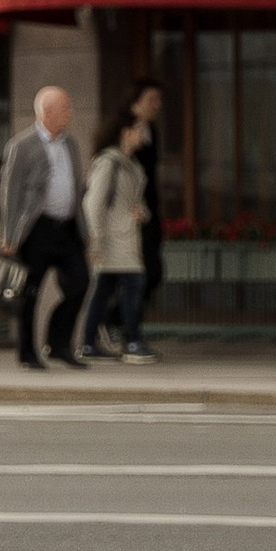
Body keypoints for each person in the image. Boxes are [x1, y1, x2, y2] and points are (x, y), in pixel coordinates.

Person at [0, 83, 90, 371]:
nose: (70, 112)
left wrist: (85, 232)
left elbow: (77, 188)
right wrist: (8, 235)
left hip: (67, 228)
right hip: (36, 229)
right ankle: (28, 353)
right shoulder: (21, 146)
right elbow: (10, 193)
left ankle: (58, 343)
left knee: (80, 283)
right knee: (30, 292)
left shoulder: (70, 144)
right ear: (47, 112)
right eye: (65, 108)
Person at [81, 113, 156, 363]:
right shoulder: (109, 162)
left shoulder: (130, 163)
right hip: (112, 238)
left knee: (103, 290)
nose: (143, 136)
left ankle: (89, 343)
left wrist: (141, 212)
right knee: (134, 284)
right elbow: (93, 203)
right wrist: (95, 240)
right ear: (126, 131)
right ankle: (132, 341)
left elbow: (136, 200)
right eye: (139, 130)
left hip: (126, 236)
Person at [130, 74, 167, 341]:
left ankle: (124, 324)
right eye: (152, 99)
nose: (157, 105)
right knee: (136, 275)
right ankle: (123, 327)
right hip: (131, 214)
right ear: (136, 101)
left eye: (159, 100)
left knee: (153, 272)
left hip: (150, 211)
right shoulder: (125, 130)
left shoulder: (152, 131)